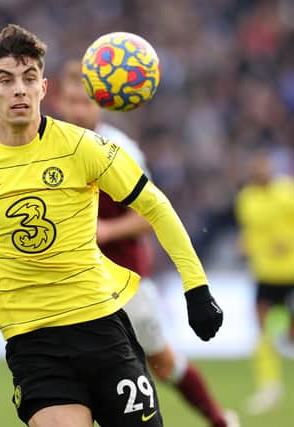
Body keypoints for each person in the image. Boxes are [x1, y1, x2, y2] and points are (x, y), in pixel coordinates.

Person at [0, 24, 223, 427]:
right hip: (34, 342)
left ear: (43, 88)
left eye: (29, 79)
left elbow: (155, 205)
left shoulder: (83, 147)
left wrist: (197, 287)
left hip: (102, 326)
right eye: (6, 79)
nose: (19, 89)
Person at [55, 59, 239, 427]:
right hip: (71, 280)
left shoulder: (120, 149)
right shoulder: (48, 146)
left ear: (100, 103)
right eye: (71, 101)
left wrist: (106, 232)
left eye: (84, 102)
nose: (77, 110)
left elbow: (147, 215)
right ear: (59, 101)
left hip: (125, 279)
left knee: (162, 363)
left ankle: (219, 420)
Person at [234, 148, 294, 415]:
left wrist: (291, 241)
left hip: (291, 271)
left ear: (271, 168)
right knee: (262, 328)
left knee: (291, 335)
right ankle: (270, 388)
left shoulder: (289, 192)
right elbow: (251, 231)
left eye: (263, 167)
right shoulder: (246, 198)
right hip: (264, 272)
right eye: (255, 168)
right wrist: (245, 244)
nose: (259, 172)